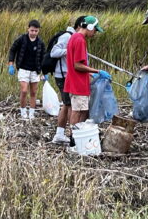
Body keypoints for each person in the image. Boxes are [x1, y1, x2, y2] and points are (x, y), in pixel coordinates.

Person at [64, 15, 111, 151]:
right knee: (77, 112)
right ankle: (73, 141)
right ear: (89, 27)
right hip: (77, 83)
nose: (95, 33)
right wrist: (97, 71)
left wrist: (91, 74)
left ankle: (78, 137)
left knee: (81, 111)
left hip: (77, 82)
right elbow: (77, 65)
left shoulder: (74, 38)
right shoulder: (79, 40)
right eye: (95, 30)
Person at [50, 16, 86, 144]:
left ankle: (60, 134)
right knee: (71, 106)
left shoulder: (76, 37)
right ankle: (73, 138)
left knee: (66, 105)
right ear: (79, 26)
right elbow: (53, 52)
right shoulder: (67, 36)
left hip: (67, 74)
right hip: (63, 75)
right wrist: (70, 50)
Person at [8, 20, 46, 119]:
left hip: (35, 70)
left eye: (36, 31)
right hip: (23, 68)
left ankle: (32, 113)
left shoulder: (40, 43)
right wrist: (11, 64)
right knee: (24, 91)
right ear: (28, 29)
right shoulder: (22, 39)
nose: (33, 33)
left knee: (33, 92)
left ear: (38, 31)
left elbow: (43, 58)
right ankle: (23, 111)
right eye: (32, 30)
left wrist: (44, 72)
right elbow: (12, 50)